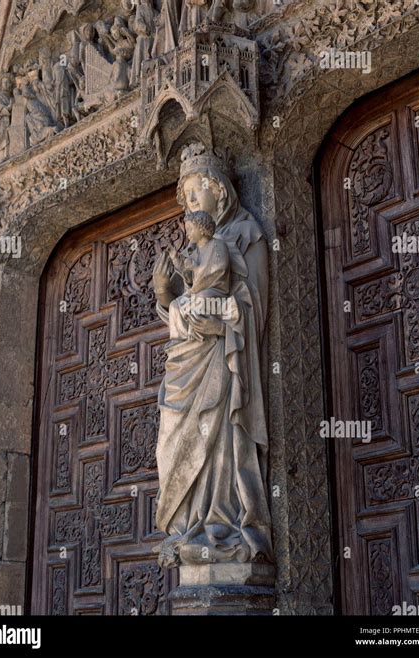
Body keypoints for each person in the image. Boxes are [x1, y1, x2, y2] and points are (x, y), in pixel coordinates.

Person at [153, 143, 273, 567]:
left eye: (194, 193)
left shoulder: (245, 234)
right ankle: (188, 525)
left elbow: (254, 306)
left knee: (217, 432)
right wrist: (166, 294)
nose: (188, 206)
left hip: (226, 358)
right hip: (190, 360)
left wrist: (220, 318)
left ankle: (220, 521)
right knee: (175, 436)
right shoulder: (200, 249)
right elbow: (187, 307)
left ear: (220, 191)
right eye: (185, 198)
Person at [167, 210, 231, 342]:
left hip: (215, 291)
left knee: (199, 301)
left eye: (190, 229)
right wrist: (177, 262)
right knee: (174, 305)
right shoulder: (195, 253)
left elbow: (220, 268)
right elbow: (190, 278)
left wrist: (196, 268)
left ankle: (196, 338)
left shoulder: (217, 245)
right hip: (196, 292)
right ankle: (180, 341)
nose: (188, 234)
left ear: (201, 229)